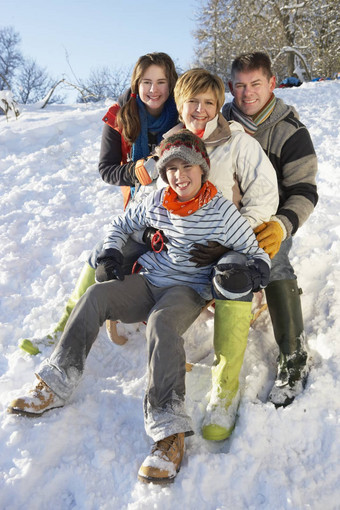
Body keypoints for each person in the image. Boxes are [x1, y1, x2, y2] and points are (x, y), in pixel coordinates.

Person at [8, 130, 271, 484]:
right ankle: (55, 383)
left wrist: (252, 270)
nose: (179, 175)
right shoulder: (157, 198)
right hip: (150, 280)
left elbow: (254, 250)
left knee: (163, 325)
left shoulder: (220, 209)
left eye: (186, 166)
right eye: (171, 168)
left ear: (202, 169)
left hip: (187, 290)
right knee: (95, 297)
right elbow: (122, 224)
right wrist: (111, 252)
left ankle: (169, 434)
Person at [20, 52, 179, 355]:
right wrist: (133, 171)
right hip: (139, 212)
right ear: (136, 83)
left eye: (161, 82)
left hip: (180, 215)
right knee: (103, 253)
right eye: (147, 82)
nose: (154, 89)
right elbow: (106, 169)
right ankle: (63, 328)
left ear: (171, 84)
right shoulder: (121, 115)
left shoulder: (183, 113)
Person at [169, 68, 279, 441]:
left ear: (219, 106)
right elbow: (149, 201)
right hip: (180, 245)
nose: (200, 110)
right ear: (179, 104)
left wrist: (230, 239)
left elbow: (264, 196)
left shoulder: (237, 142)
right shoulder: (168, 144)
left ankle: (225, 390)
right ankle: (64, 333)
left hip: (225, 244)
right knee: (112, 245)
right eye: (192, 102)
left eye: (209, 103)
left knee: (233, 277)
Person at [222, 52, 318, 408]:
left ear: (272, 83)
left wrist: (281, 225)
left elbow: (305, 190)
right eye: (241, 86)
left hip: (270, 221)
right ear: (231, 87)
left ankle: (294, 355)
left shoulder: (290, 132)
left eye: (256, 85)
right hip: (225, 216)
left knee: (274, 263)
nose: (248, 94)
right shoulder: (219, 121)